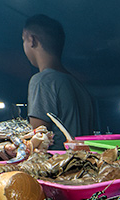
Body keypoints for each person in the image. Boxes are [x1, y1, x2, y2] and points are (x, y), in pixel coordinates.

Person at [22, 14, 95, 150]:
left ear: (31, 40)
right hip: (84, 166)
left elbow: (37, 143)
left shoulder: (41, 81)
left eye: (23, 40)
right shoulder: (79, 85)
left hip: (59, 168)